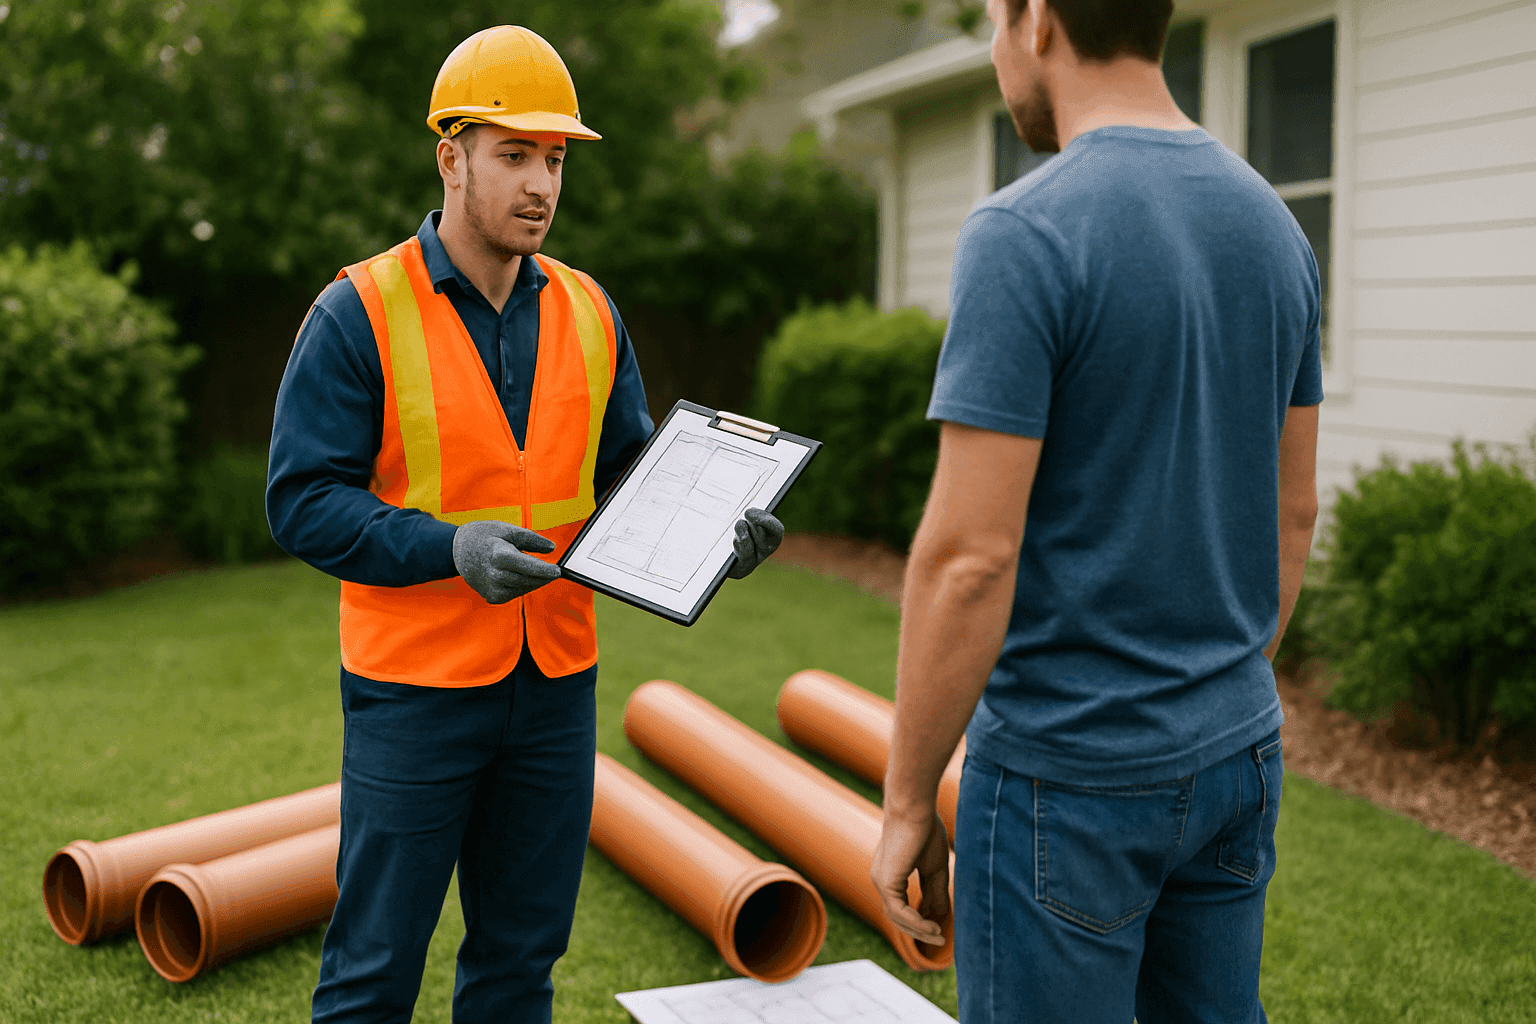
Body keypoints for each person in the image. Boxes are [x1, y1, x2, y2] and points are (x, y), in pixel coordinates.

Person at [266, 25, 783, 1024]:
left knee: (518, 965)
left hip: (553, 689)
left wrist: (721, 527)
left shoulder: (591, 310)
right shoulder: (358, 311)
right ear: (449, 157)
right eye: (515, 155)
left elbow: (636, 478)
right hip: (413, 693)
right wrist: (446, 547)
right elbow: (300, 501)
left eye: (553, 159)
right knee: (373, 970)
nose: (541, 183)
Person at [869, 0, 1321, 1021]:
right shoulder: (1275, 227)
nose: (995, 52)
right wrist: (1214, 688)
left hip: (1067, 777)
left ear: (1036, 20)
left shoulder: (1024, 231)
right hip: (1236, 751)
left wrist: (906, 798)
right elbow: (1294, 512)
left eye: (991, 19)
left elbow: (968, 558)